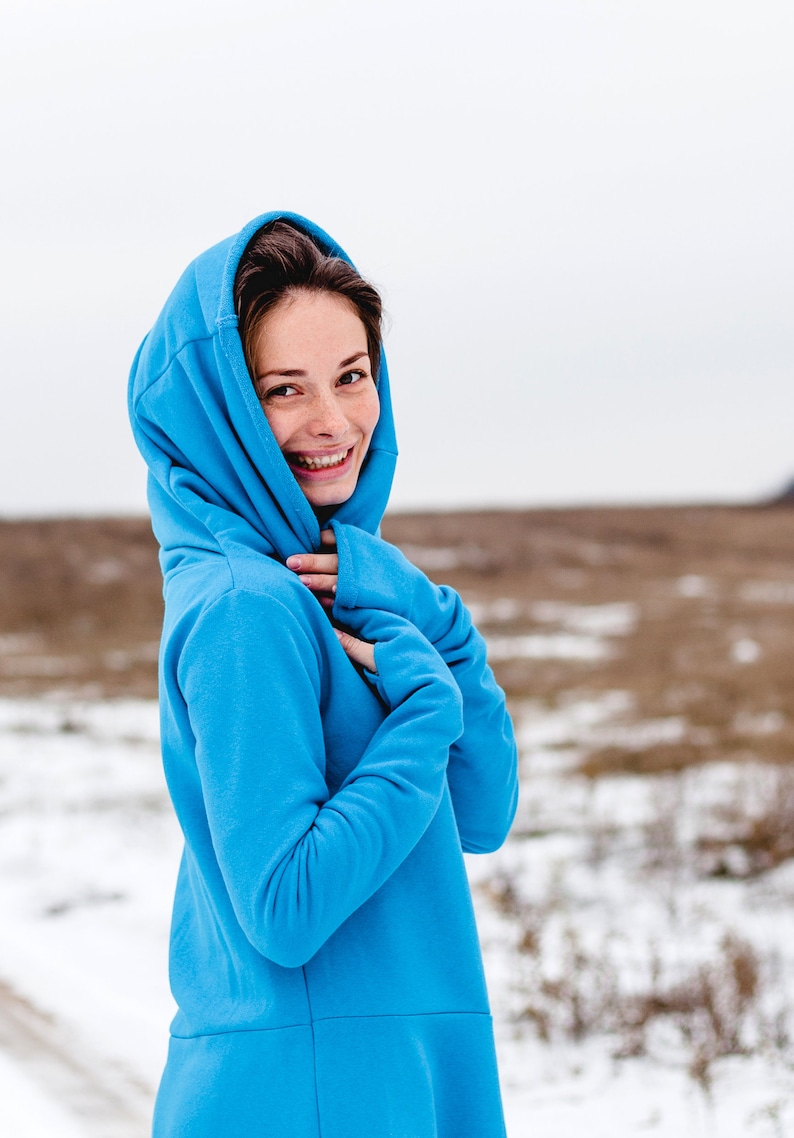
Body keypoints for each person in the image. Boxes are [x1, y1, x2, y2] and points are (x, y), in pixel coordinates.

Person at [129, 211, 519, 1138]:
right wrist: (422, 709)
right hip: (310, 1094)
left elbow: (484, 809)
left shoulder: (332, 586)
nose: (334, 422)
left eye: (352, 375)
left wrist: (428, 612)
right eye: (283, 390)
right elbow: (285, 907)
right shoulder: (246, 609)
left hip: (383, 1073)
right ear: (221, 413)